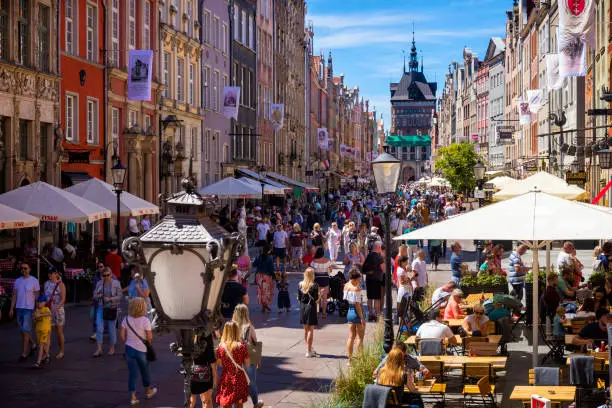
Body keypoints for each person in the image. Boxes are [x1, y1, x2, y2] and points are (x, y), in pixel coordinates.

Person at [120, 298, 158, 405]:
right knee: (144, 370)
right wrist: (148, 343)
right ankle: (148, 391)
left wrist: (127, 342)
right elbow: (149, 337)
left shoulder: (126, 319)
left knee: (132, 373)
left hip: (129, 349)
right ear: (142, 307)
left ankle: (132, 396)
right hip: (141, 350)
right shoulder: (145, 320)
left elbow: (122, 335)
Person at [232, 305, 264, 408]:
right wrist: (258, 359)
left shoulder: (232, 326)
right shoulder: (249, 326)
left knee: (235, 383)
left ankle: (233, 405)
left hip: (235, 357)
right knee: (251, 382)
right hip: (249, 357)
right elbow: (254, 341)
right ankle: (255, 403)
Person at [9, 262, 40, 361]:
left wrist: (37, 309)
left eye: (25, 268)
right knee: (22, 331)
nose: (23, 270)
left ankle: (24, 353)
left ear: (29, 269)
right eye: (22, 268)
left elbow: (37, 296)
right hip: (19, 307)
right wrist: (11, 308)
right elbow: (14, 295)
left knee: (26, 330)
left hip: (28, 308)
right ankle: (33, 344)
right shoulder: (17, 281)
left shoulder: (34, 281)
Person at [216, 321, 250, 408]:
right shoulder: (242, 346)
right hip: (239, 377)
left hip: (226, 377)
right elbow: (247, 363)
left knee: (226, 402)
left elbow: (220, 364)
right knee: (239, 402)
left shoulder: (221, 347)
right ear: (236, 331)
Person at [93, 266, 122, 357]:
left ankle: (112, 347)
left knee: (111, 329)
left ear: (111, 274)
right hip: (102, 308)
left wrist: (110, 299)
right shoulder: (99, 283)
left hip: (112, 308)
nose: (106, 277)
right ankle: (99, 349)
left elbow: (120, 296)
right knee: (99, 327)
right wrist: (99, 296)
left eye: (108, 275)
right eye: (104, 275)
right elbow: (94, 295)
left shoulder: (116, 283)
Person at [344, 268, 366, 365]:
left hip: (349, 311)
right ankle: (360, 359)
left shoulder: (346, 286)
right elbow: (358, 305)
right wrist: (362, 318)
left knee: (351, 337)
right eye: (359, 279)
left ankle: (349, 360)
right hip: (356, 312)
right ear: (355, 278)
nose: (359, 281)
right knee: (360, 338)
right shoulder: (356, 288)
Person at [43, 268, 66, 359]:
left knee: (59, 331)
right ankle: (46, 353)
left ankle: (61, 351)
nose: (49, 275)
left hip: (58, 311)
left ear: (56, 274)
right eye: (48, 273)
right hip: (48, 310)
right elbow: (45, 296)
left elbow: (63, 299)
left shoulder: (61, 284)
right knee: (48, 331)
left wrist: (56, 308)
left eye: (51, 273)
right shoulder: (46, 284)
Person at [189, 332, 217, 408]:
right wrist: (215, 376)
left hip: (190, 369)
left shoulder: (188, 332)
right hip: (204, 370)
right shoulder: (206, 333)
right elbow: (211, 357)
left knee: (191, 400)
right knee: (206, 401)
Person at [298, 267, 319, 357]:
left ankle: (309, 348)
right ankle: (309, 350)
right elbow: (316, 299)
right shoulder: (314, 285)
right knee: (311, 330)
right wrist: (320, 294)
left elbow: (299, 298)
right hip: (311, 307)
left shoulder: (300, 284)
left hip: (303, 307)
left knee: (305, 330)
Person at [362, 241, 385, 321]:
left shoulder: (369, 255)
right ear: (378, 247)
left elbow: (363, 267)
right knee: (377, 299)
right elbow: (383, 268)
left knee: (370, 298)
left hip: (369, 278)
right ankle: (378, 315)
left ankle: (370, 314)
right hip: (376, 279)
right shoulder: (379, 256)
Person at [310, 247, 332, 319]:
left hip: (317, 279)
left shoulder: (313, 261)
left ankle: (317, 313)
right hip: (325, 279)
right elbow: (330, 270)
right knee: (324, 297)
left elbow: (311, 271)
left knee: (317, 298)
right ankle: (324, 313)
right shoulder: (327, 261)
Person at [253, 244, 275, 312]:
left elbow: (254, 264)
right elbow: (271, 269)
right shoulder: (270, 258)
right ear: (269, 250)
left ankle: (264, 306)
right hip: (266, 276)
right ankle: (265, 305)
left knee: (261, 291)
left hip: (258, 276)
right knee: (267, 291)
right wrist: (274, 276)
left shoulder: (259, 257)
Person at [32, 294, 51, 368]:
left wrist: (40, 315)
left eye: (41, 302)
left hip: (45, 330)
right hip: (38, 330)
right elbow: (35, 321)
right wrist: (34, 317)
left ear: (44, 303)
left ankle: (38, 362)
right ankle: (47, 355)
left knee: (41, 345)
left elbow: (49, 313)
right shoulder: (36, 310)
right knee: (43, 346)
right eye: (38, 302)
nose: (39, 304)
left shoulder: (46, 309)